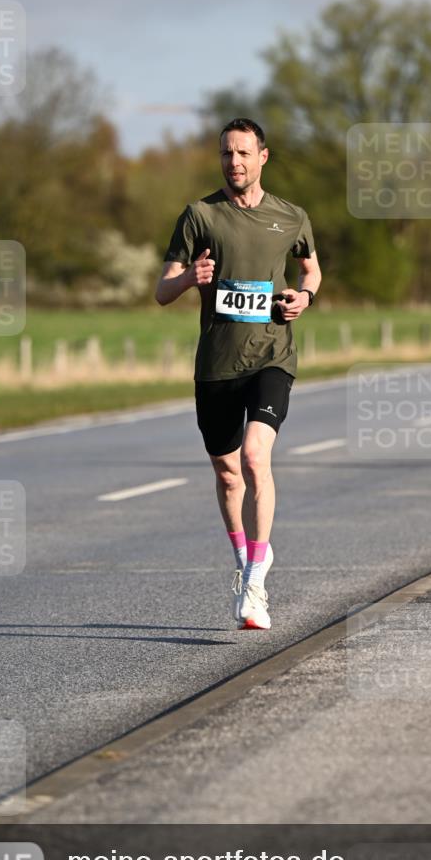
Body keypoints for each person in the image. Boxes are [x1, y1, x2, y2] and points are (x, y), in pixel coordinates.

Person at [155, 117, 321, 629]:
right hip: (216, 366)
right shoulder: (200, 215)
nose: (235, 162)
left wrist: (304, 297)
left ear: (262, 157)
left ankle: (255, 584)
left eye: (244, 153)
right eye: (227, 154)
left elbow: (310, 268)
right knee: (227, 474)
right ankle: (246, 557)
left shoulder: (290, 217)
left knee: (254, 457)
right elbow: (162, 291)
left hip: (272, 356)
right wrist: (188, 278)